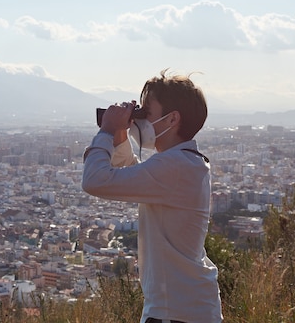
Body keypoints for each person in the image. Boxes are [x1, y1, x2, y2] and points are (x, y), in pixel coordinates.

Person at [81, 69, 222, 323]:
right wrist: (121, 136)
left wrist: (106, 131)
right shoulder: (183, 163)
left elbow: (95, 180)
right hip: (185, 307)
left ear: (172, 119)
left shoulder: (176, 167)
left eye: (147, 114)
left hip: (176, 311)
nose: (140, 121)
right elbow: (132, 172)